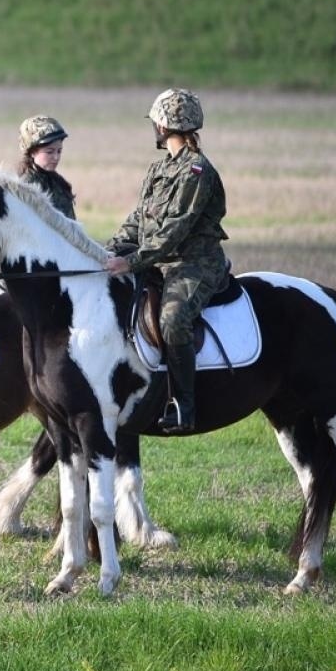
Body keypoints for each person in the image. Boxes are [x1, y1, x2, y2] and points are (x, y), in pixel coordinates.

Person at [103, 88, 229, 434]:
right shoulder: (159, 169)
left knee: (172, 319)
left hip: (195, 265)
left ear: (164, 125)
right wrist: (107, 252)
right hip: (158, 263)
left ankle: (183, 406)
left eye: (156, 121)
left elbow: (174, 230)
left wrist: (132, 262)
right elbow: (139, 220)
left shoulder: (197, 171)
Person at [14, 115, 75, 219]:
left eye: (59, 151)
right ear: (32, 152)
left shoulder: (58, 182)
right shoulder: (26, 188)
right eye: (49, 152)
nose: (56, 157)